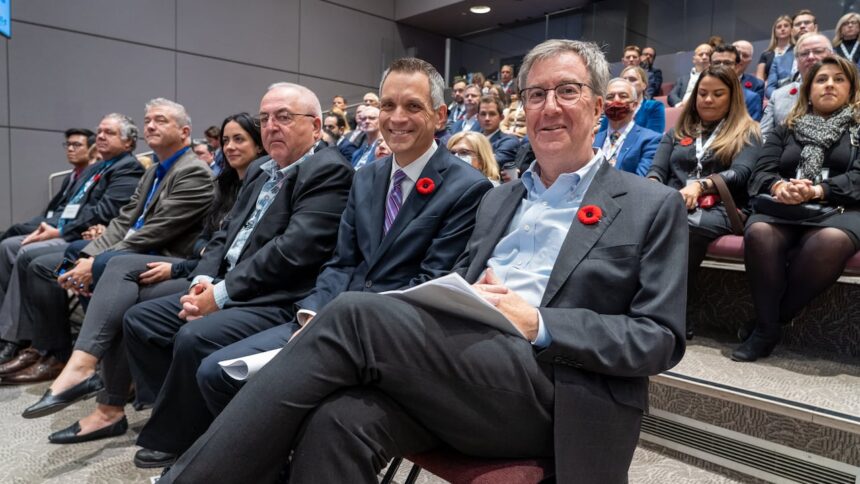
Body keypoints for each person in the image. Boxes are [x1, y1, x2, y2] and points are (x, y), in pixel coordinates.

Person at [158, 38, 687, 484]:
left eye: (567, 91)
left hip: (557, 392)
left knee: (353, 313)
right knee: (338, 419)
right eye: (536, 94)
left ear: (599, 106)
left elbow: (658, 339)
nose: (549, 106)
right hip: (462, 367)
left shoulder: (648, 204)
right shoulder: (499, 199)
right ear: (522, 108)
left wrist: (540, 323)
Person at [122, 82, 355, 469]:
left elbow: (293, 251)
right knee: (140, 318)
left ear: (315, 126)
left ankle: (185, 435)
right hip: (228, 283)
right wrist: (203, 280)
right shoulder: (262, 170)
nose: (271, 126)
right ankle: (186, 413)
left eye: (283, 117)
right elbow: (224, 234)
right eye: (264, 118)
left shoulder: (329, 170)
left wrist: (221, 294)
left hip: (278, 295)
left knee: (194, 336)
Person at [20, 113, 264, 444]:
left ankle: (95, 391)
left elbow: (170, 237)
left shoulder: (225, 177)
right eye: (226, 140)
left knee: (115, 274)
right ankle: (83, 377)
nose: (230, 147)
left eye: (240, 139)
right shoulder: (221, 182)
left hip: (192, 268)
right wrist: (93, 257)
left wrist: (99, 263)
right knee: (65, 261)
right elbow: (144, 226)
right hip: (191, 265)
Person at [0, 99, 214, 385]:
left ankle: (84, 360)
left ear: (185, 132)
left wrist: (95, 262)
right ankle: (50, 350)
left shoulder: (193, 171)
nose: (150, 125)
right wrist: (88, 257)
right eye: (147, 119)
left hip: (159, 254)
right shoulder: (153, 170)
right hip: (127, 248)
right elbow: (124, 220)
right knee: (45, 265)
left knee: (80, 265)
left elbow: (155, 231)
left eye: (160, 120)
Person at [735, 56, 860, 362]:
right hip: (783, 207)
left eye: (838, 79)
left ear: (852, 89)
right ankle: (769, 324)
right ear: (808, 89)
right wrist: (781, 187)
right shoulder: (785, 128)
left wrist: (819, 189)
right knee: (760, 233)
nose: (829, 84)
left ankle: (768, 326)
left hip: (839, 208)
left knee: (830, 241)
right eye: (821, 79)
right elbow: (762, 172)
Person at [0, 119, 144, 364]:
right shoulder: (95, 169)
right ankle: (20, 337)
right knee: (11, 247)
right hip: (76, 236)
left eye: (109, 132)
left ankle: (51, 350)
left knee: (35, 261)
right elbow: (65, 208)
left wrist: (59, 231)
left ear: (129, 141)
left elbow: (104, 213)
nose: (100, 136)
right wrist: (54, 226)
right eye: (99, 131)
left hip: (89, 240)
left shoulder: (128, 168)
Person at [647, 66, 761, 338]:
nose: (708, 99)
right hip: (674, 203)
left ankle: (676, 311)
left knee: (682, 228)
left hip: (720, 208)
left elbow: (740, 173)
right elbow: (656, 171)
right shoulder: (678, 131)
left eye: (718, 94)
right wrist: (652, 188)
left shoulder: (748, 132)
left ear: (732, 97)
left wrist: (701, 186)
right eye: (703, 93)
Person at [761, 33, 834, 137]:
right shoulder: (778, 96)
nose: (811, 57)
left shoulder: (848, 91)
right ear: (796, 61)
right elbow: (764, 136)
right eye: (804, 53)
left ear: (832, 56)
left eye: (818, 51)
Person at [594, 78, 661, 176]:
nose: (616, 100)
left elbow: (642, 181)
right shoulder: (593, 140)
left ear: (634, 105)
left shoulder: (651, 139)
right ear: (603, 106)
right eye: (610, 97)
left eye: (623, 96)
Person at [767, 9, 817, 99]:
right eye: (798, 24)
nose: (802, 26)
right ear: (792, 31)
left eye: (807, 23)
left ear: (815, 27)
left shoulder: (829, 54)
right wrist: (783, 100)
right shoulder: (778, 60)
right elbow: (770, 88)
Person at [600, 65, 665, 133]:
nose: (627, 82)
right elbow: (601, 137)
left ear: (644, 85)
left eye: (632, 79)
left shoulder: (654, 107)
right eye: (624, 80)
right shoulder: (614, 108)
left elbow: (653, 138)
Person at [710, 44, 763, 121]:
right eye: (716, 63)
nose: (721, 67)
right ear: (709, 66)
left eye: (727, 63)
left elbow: (749, 130)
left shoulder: (750, 98)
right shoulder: (700, 94)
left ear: (737, 67)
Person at [478, 95, 519, 167]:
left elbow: (494, 162)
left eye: (492, 114)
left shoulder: (509, 141)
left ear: (501, 117)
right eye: (483, 114)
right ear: (477, 117)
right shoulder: (472, 139)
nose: (487, 118)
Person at [669, 43, 712, 108]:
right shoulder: (682, 79)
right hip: (682, 110)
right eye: (701, 54)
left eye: (708, 54)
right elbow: (672, 95)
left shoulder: (715, 77)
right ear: (694, 59)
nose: (704, 57)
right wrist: (680, 105)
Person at [757, 15, 793, 83]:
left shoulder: (797, 49)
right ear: (775, 32)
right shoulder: (766, 54)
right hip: (769, 89)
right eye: (779, 27)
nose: (782, 29)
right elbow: (759, 77)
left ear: (792, 29)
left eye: (786, 26)